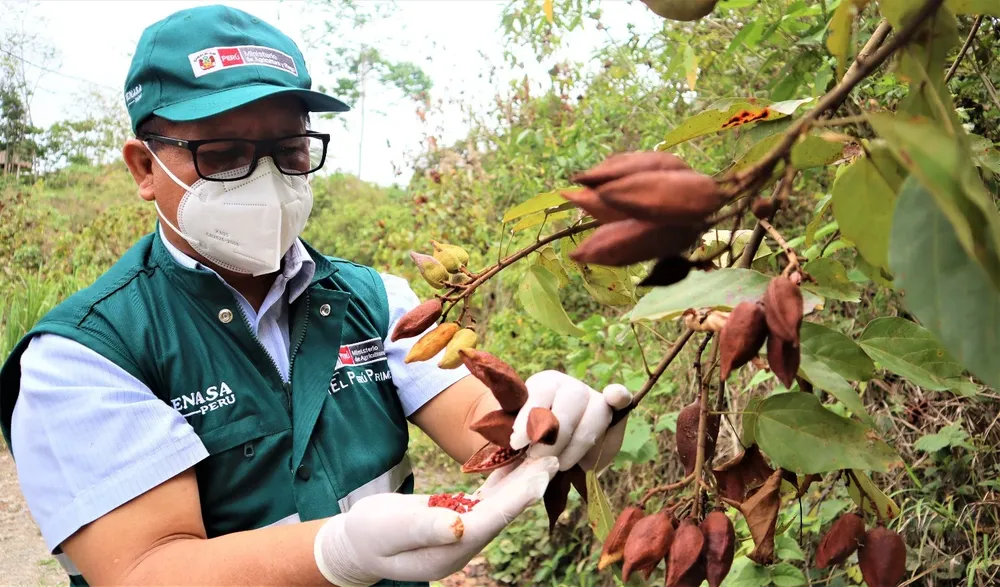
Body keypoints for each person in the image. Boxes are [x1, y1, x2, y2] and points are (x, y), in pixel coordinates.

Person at [0, 5, 633, 586]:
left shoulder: (374, 299)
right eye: (223, 155)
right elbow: (143, 566)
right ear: (145, 169)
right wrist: (335, 552)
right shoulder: (86, 355)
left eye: (290, 150)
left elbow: (489, 434)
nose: (267, 180)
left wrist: (556, 430)